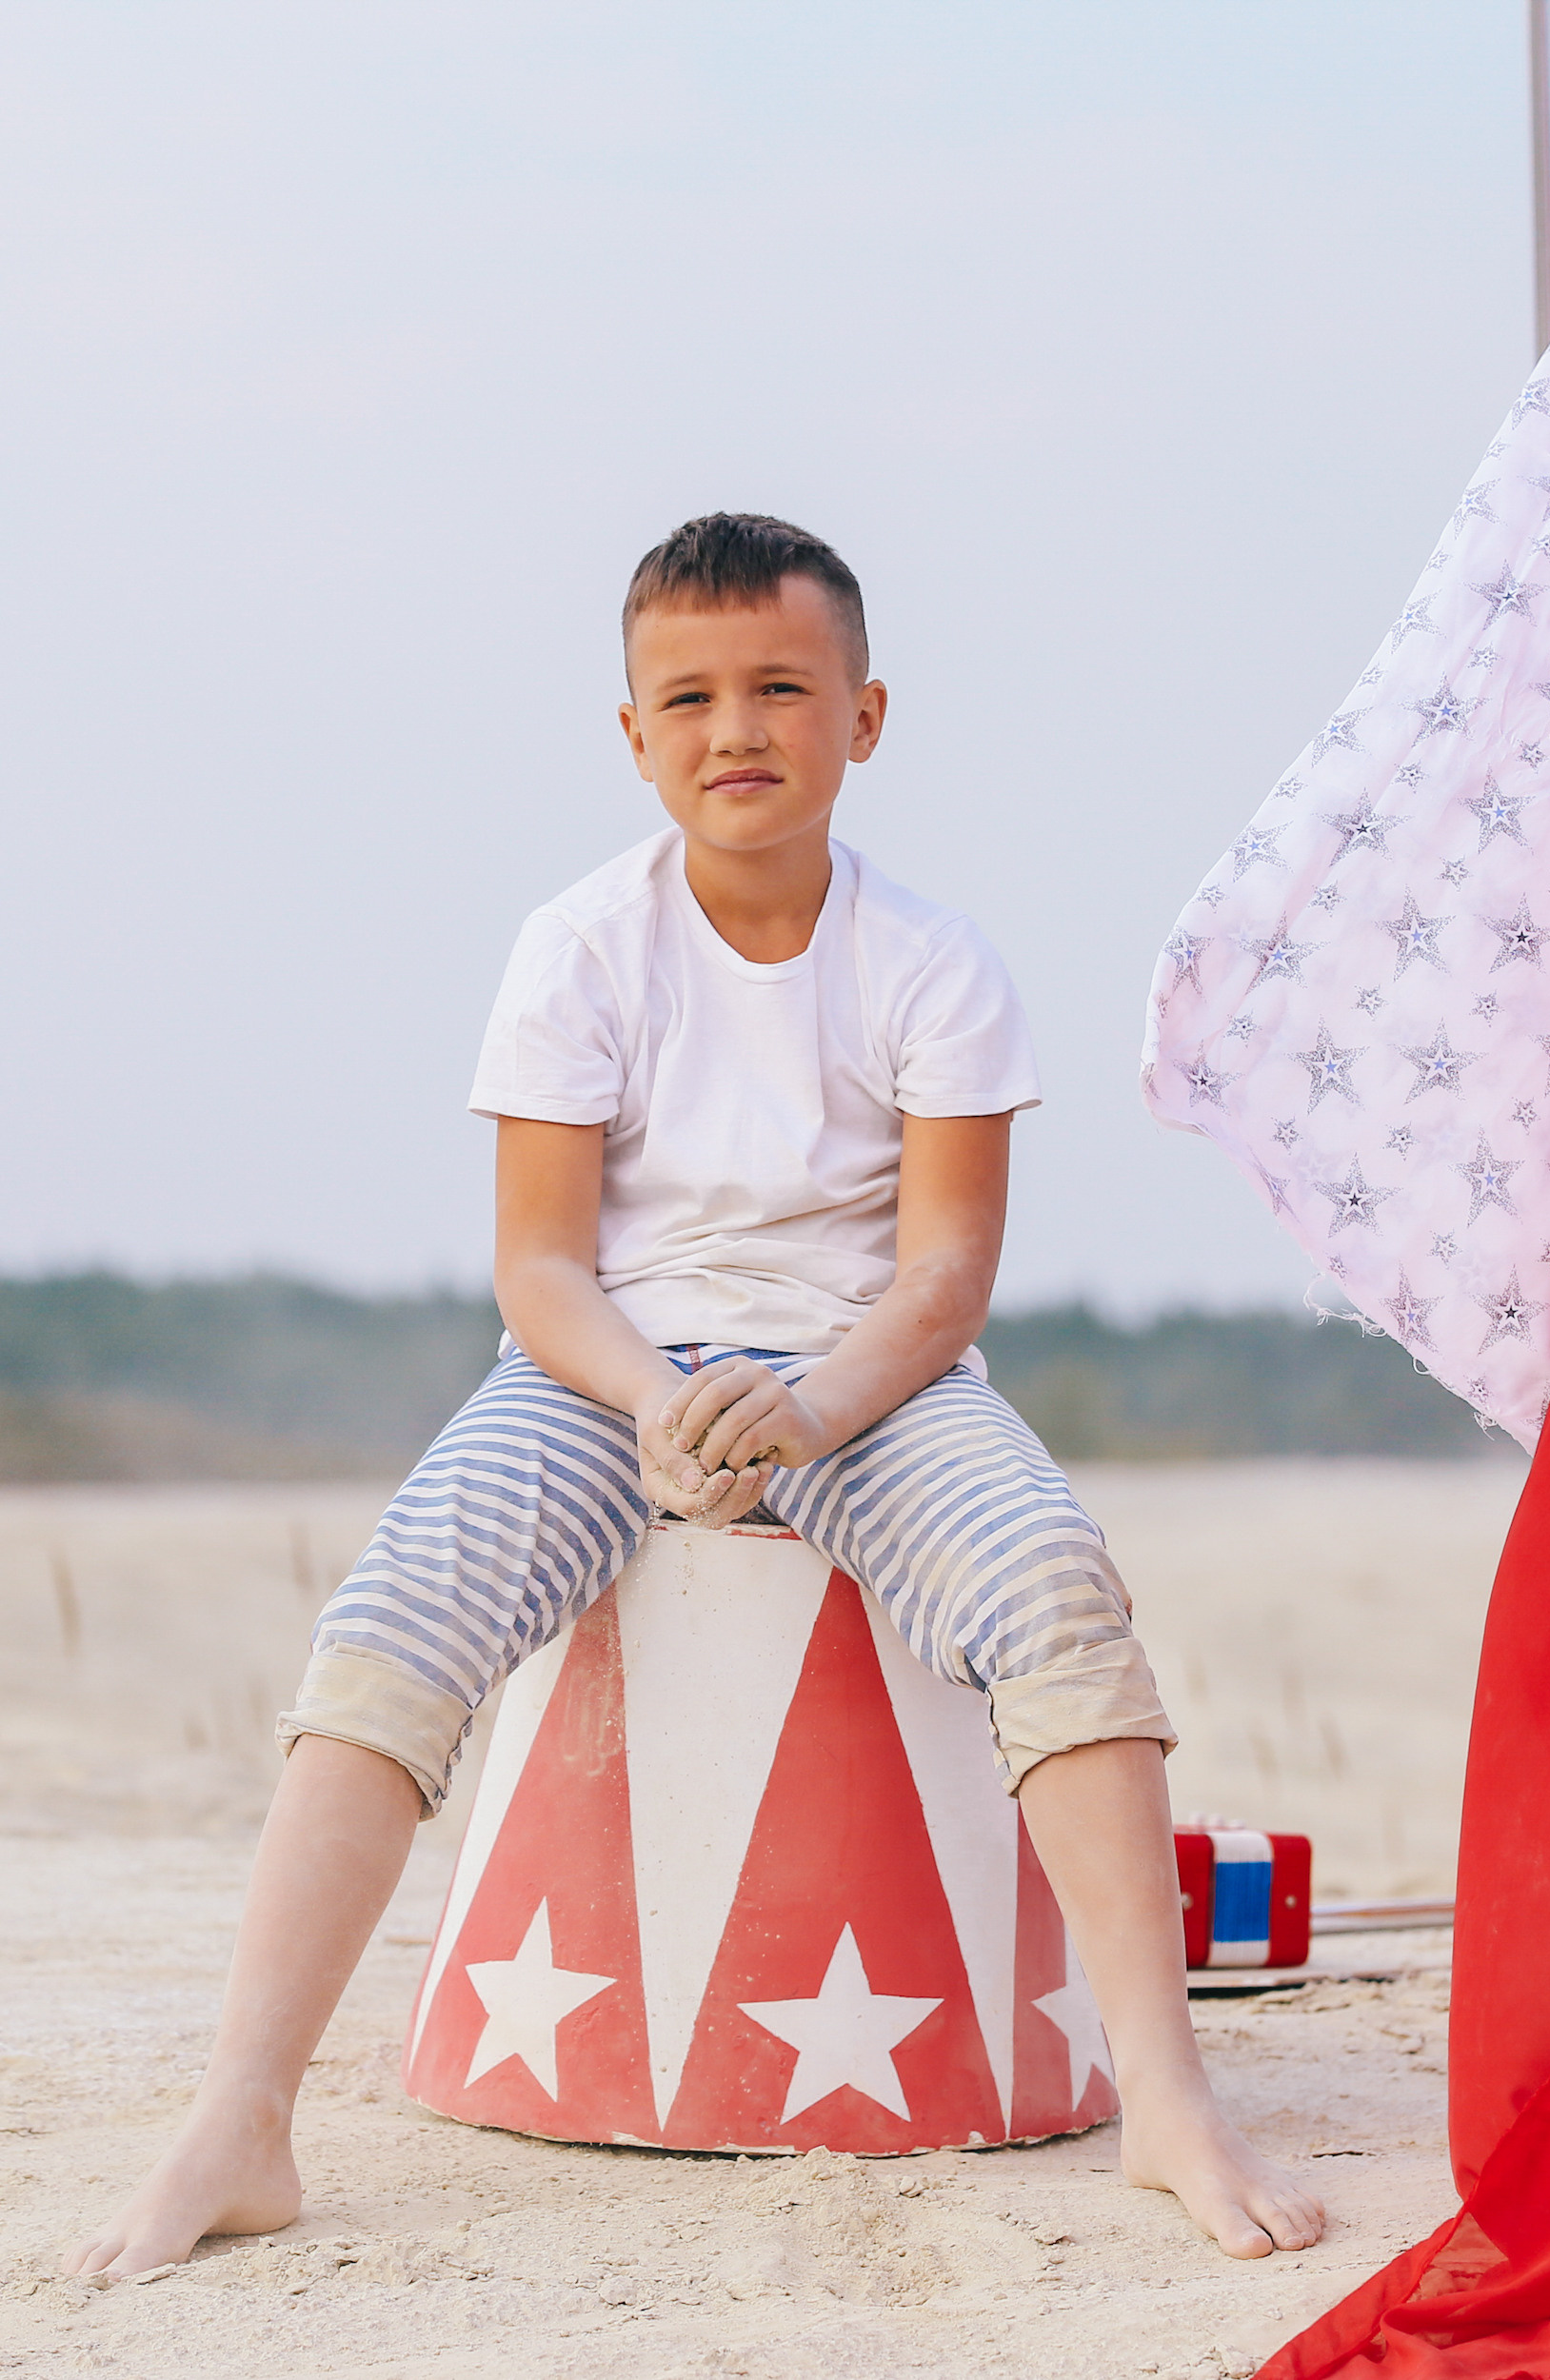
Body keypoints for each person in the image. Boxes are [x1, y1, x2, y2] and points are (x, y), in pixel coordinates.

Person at [69, 511, 1324, 2279]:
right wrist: (658, 1399)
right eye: (692, 697)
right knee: (397, 1614)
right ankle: (243, 2112)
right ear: (636, 733)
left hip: (866, 1389)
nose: (738, 728)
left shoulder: (935, 963)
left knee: (1050, 1582)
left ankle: (1170, 2097)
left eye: (782, 688)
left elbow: (945, 1275)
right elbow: (542, 1268)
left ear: (864, 719)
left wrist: (812, 1409)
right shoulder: (580, 948)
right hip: (602, 1383)